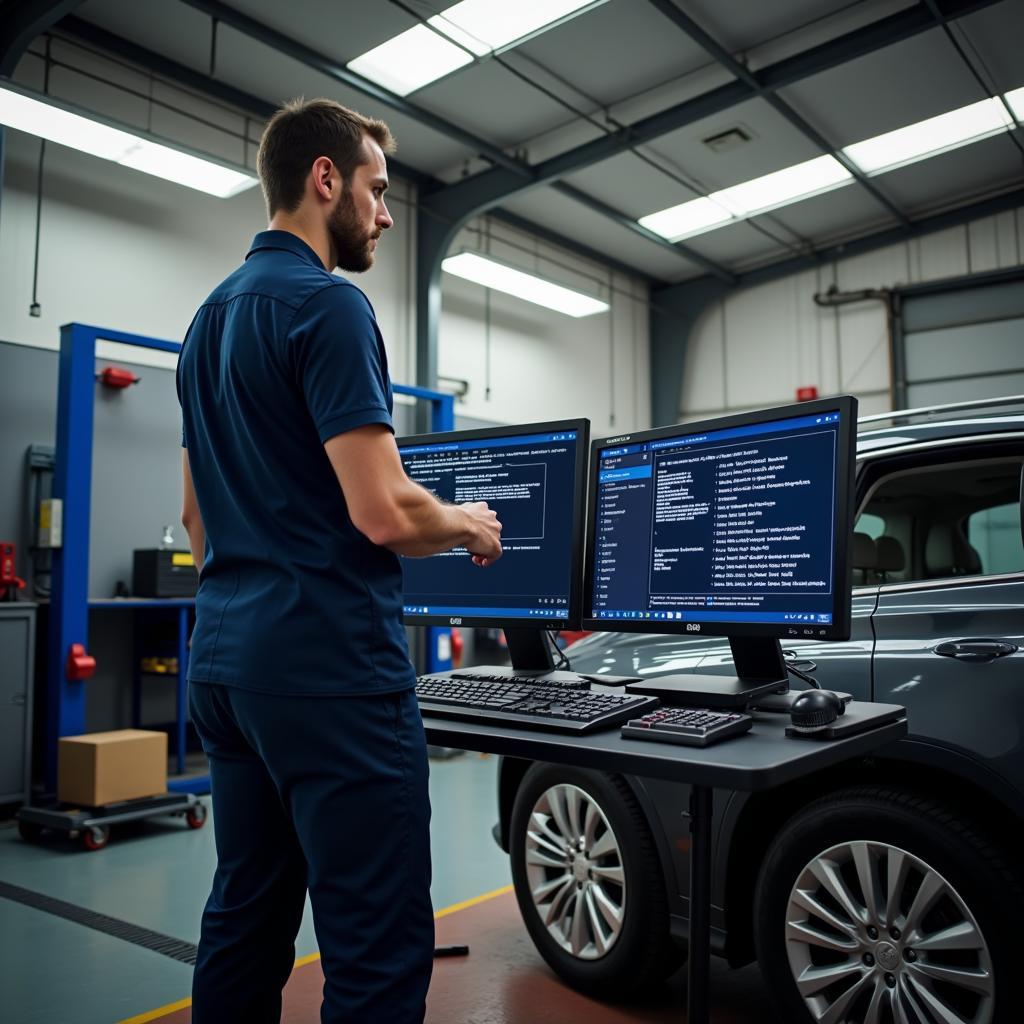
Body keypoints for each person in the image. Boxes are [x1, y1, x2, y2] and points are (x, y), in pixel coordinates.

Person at [176, 97, 502, 1024]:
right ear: (327, 180)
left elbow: (194, 518)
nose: (387, 214)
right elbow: (384, 513)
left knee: (245, 915)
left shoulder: (205, 325)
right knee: (374, 943)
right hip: (330, 672)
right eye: (378, 189)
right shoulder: (328, 307)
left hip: (229, 666)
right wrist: (467, 523)